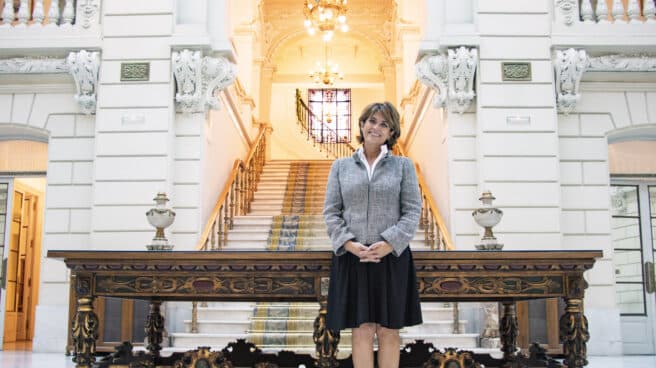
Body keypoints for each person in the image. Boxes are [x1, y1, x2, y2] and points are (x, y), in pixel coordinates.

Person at [322, 101, 423, 368]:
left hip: (391, 256)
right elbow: (331, 212)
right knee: (361, 328)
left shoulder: (403, 166)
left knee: (389, 329)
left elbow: (413, 210)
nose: (376, 128)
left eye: (384, 124)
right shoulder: (340, 167)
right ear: (362, 124)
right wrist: (349, 243)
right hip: (353, 256)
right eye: (371, 121)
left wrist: (390, 242)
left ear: (392, 132)